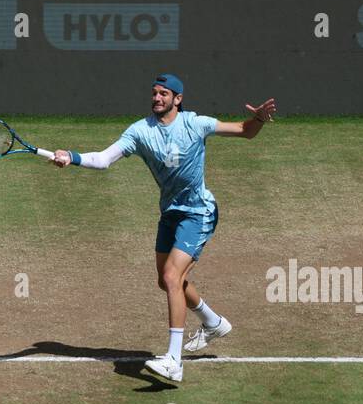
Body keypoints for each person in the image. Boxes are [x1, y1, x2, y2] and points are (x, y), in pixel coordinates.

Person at [52, 73, 277, 383]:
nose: (157, 98)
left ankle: (174, 360)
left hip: (199, 212)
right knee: (167, 280)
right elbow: (104, 159)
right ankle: (213, 322)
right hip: (170, 214)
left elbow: (243, 130)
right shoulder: (140, 131)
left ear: (178, 99)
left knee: (173, 276)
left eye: (164, 94)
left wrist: (259, 120)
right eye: (154, 93)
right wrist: (72, 157)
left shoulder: (195, 124)